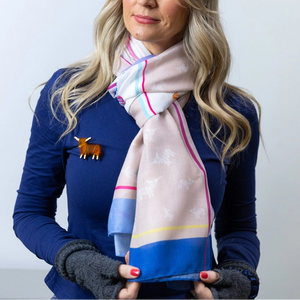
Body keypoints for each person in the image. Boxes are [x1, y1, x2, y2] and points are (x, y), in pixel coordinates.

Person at [13, 0, 261, 299]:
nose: (146, 1)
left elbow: (239, 227)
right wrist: (81, 263)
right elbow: (30, 213)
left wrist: (238, 278)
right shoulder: (70, 93)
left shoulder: (230, 113)